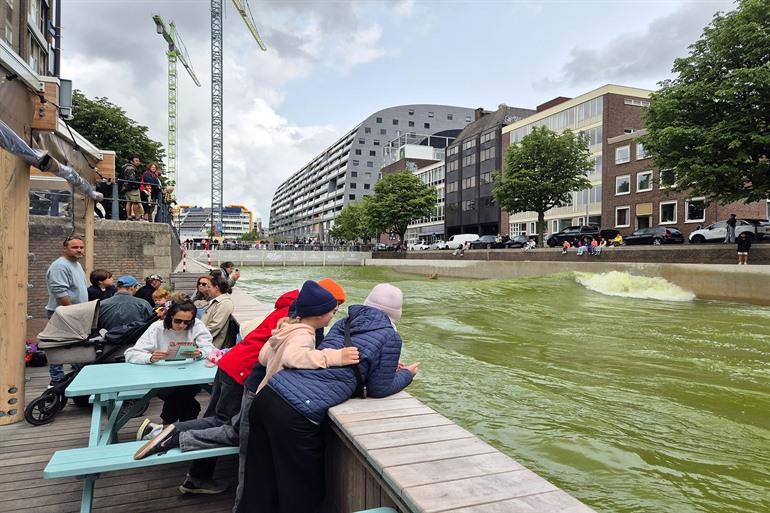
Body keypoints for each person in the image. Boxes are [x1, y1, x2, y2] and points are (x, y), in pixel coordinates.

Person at [237, 283, 419, 513]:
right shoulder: (390, 336)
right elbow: (379, 388)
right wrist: (406, 374)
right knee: (301, 491)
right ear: (396, 313)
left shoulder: (345, 323)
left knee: (261, 484)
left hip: (268, 396)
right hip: (295, 413)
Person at [124, 295, 215, 424]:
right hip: (162, 378)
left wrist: (200, 352)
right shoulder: (157, 328)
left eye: (187, 322)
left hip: (189, 376)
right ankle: (178, 428)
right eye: (178, 321)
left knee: (182, 395)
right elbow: (131, 354)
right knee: (187, 402)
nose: (182, 325)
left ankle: (166, 426)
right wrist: (150, 357)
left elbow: (210, 348)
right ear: (170, 317)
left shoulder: (197, 325)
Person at [45, 236, 88, 384]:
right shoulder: (60, 266)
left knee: (75, 347)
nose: (79, 250)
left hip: (75, 314)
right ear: (65, 248)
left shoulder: (76, 264)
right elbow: (60, 294)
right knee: (58, 347)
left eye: (81, 247)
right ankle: (57, 381)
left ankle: (76, 378)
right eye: (75, 247)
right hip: (64, 314)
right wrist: (72, 313)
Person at [201, 273, 234, 348]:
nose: (207, 289)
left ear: (216, 288)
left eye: (209, 287)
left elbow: (215, 326)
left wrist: (199, 336)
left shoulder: (225, 303)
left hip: (213, 345)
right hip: (206, 340)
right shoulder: (219, 301)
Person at [121, 155, 143, 221]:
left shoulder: (126, 168)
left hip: (126, 188)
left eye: (138, 161)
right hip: (132, 188)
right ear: (131, 161)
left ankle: (129, 216)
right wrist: (137, 183)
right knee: (135, 202)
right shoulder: (131, 169)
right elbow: (132, 179)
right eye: (136, 161)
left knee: (128, 202)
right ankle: (137, 217)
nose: (138, 162)